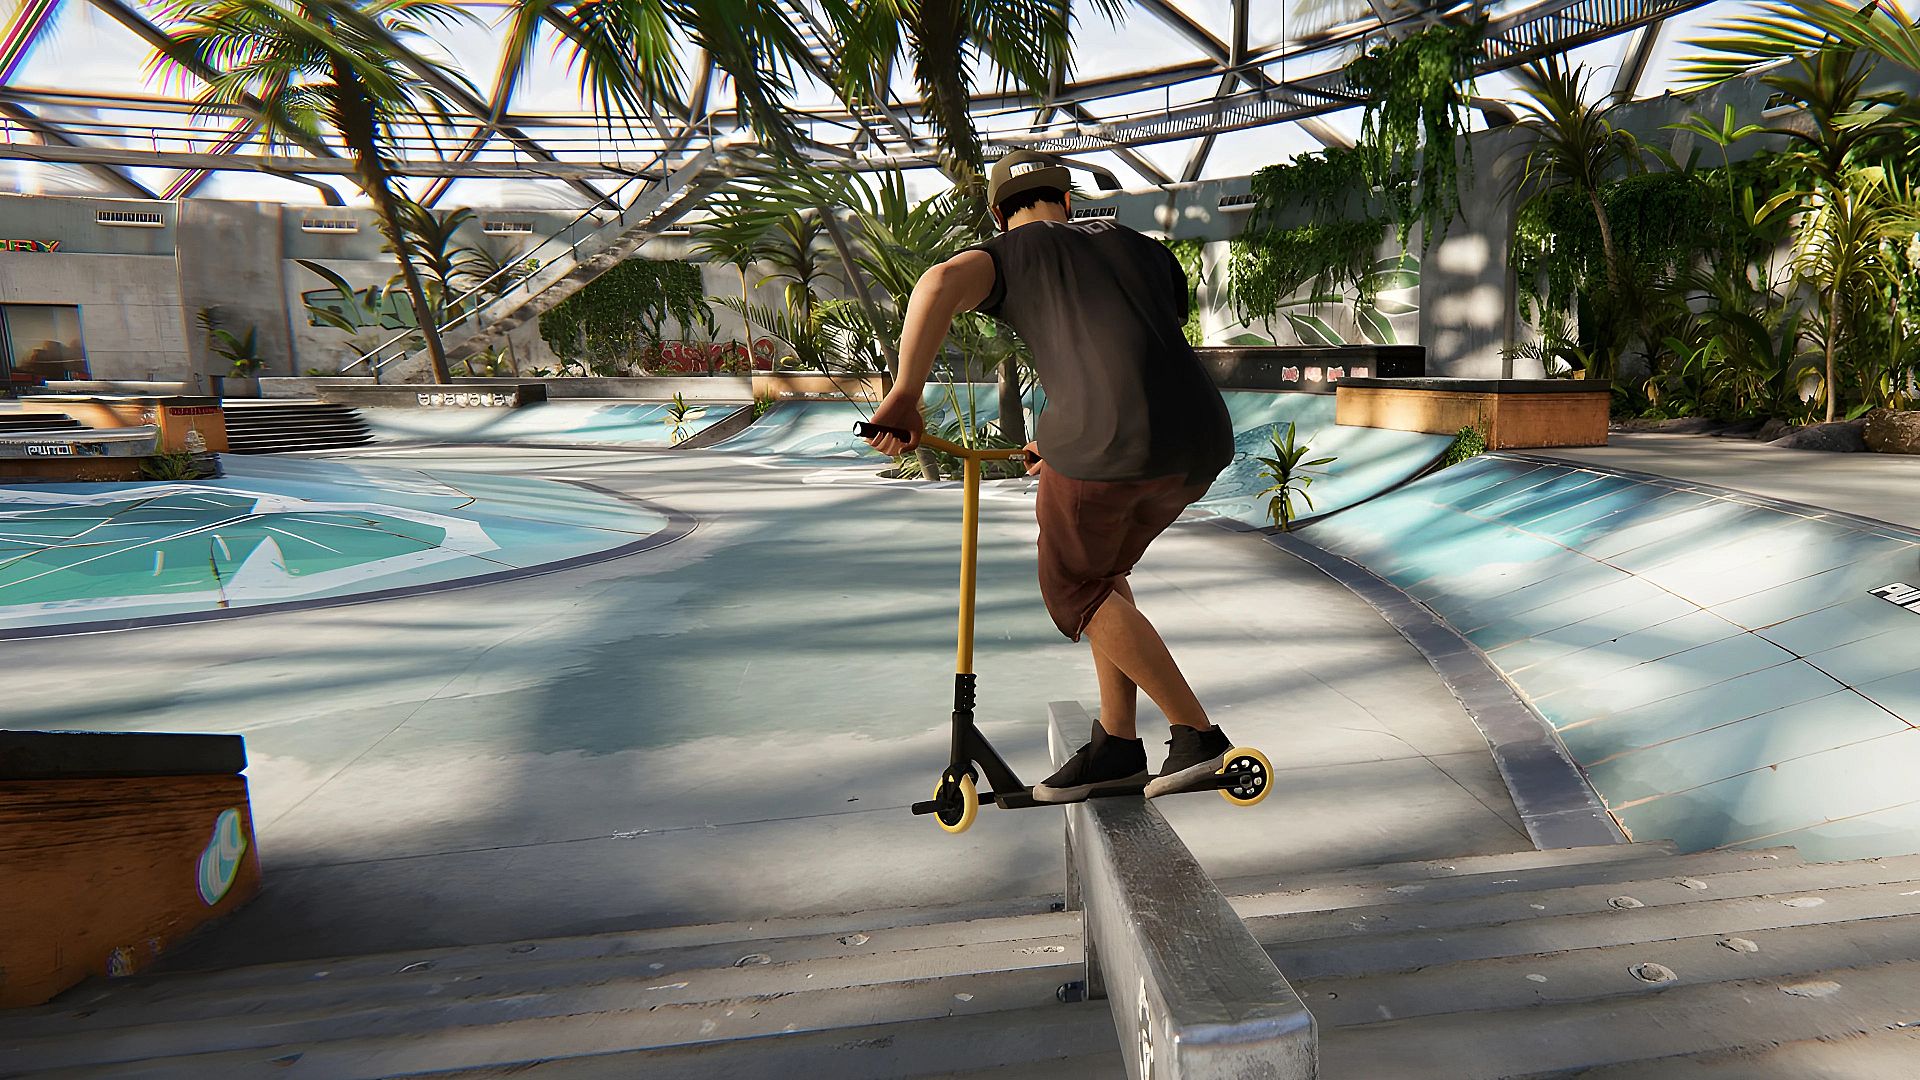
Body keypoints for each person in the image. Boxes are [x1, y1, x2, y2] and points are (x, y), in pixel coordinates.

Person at [862, 149, 1236, 803]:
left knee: (1073, 586)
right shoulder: (1145, 249)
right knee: (1102, 572)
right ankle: (1117, 744)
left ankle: (1198, 735)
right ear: (1067, 200)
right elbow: (1131, 347)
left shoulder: (1012, 253)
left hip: (1109, 440)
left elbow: (939, 282)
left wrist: (905, 396)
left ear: (998, 214)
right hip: (1201, 438)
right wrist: (1061, 440)